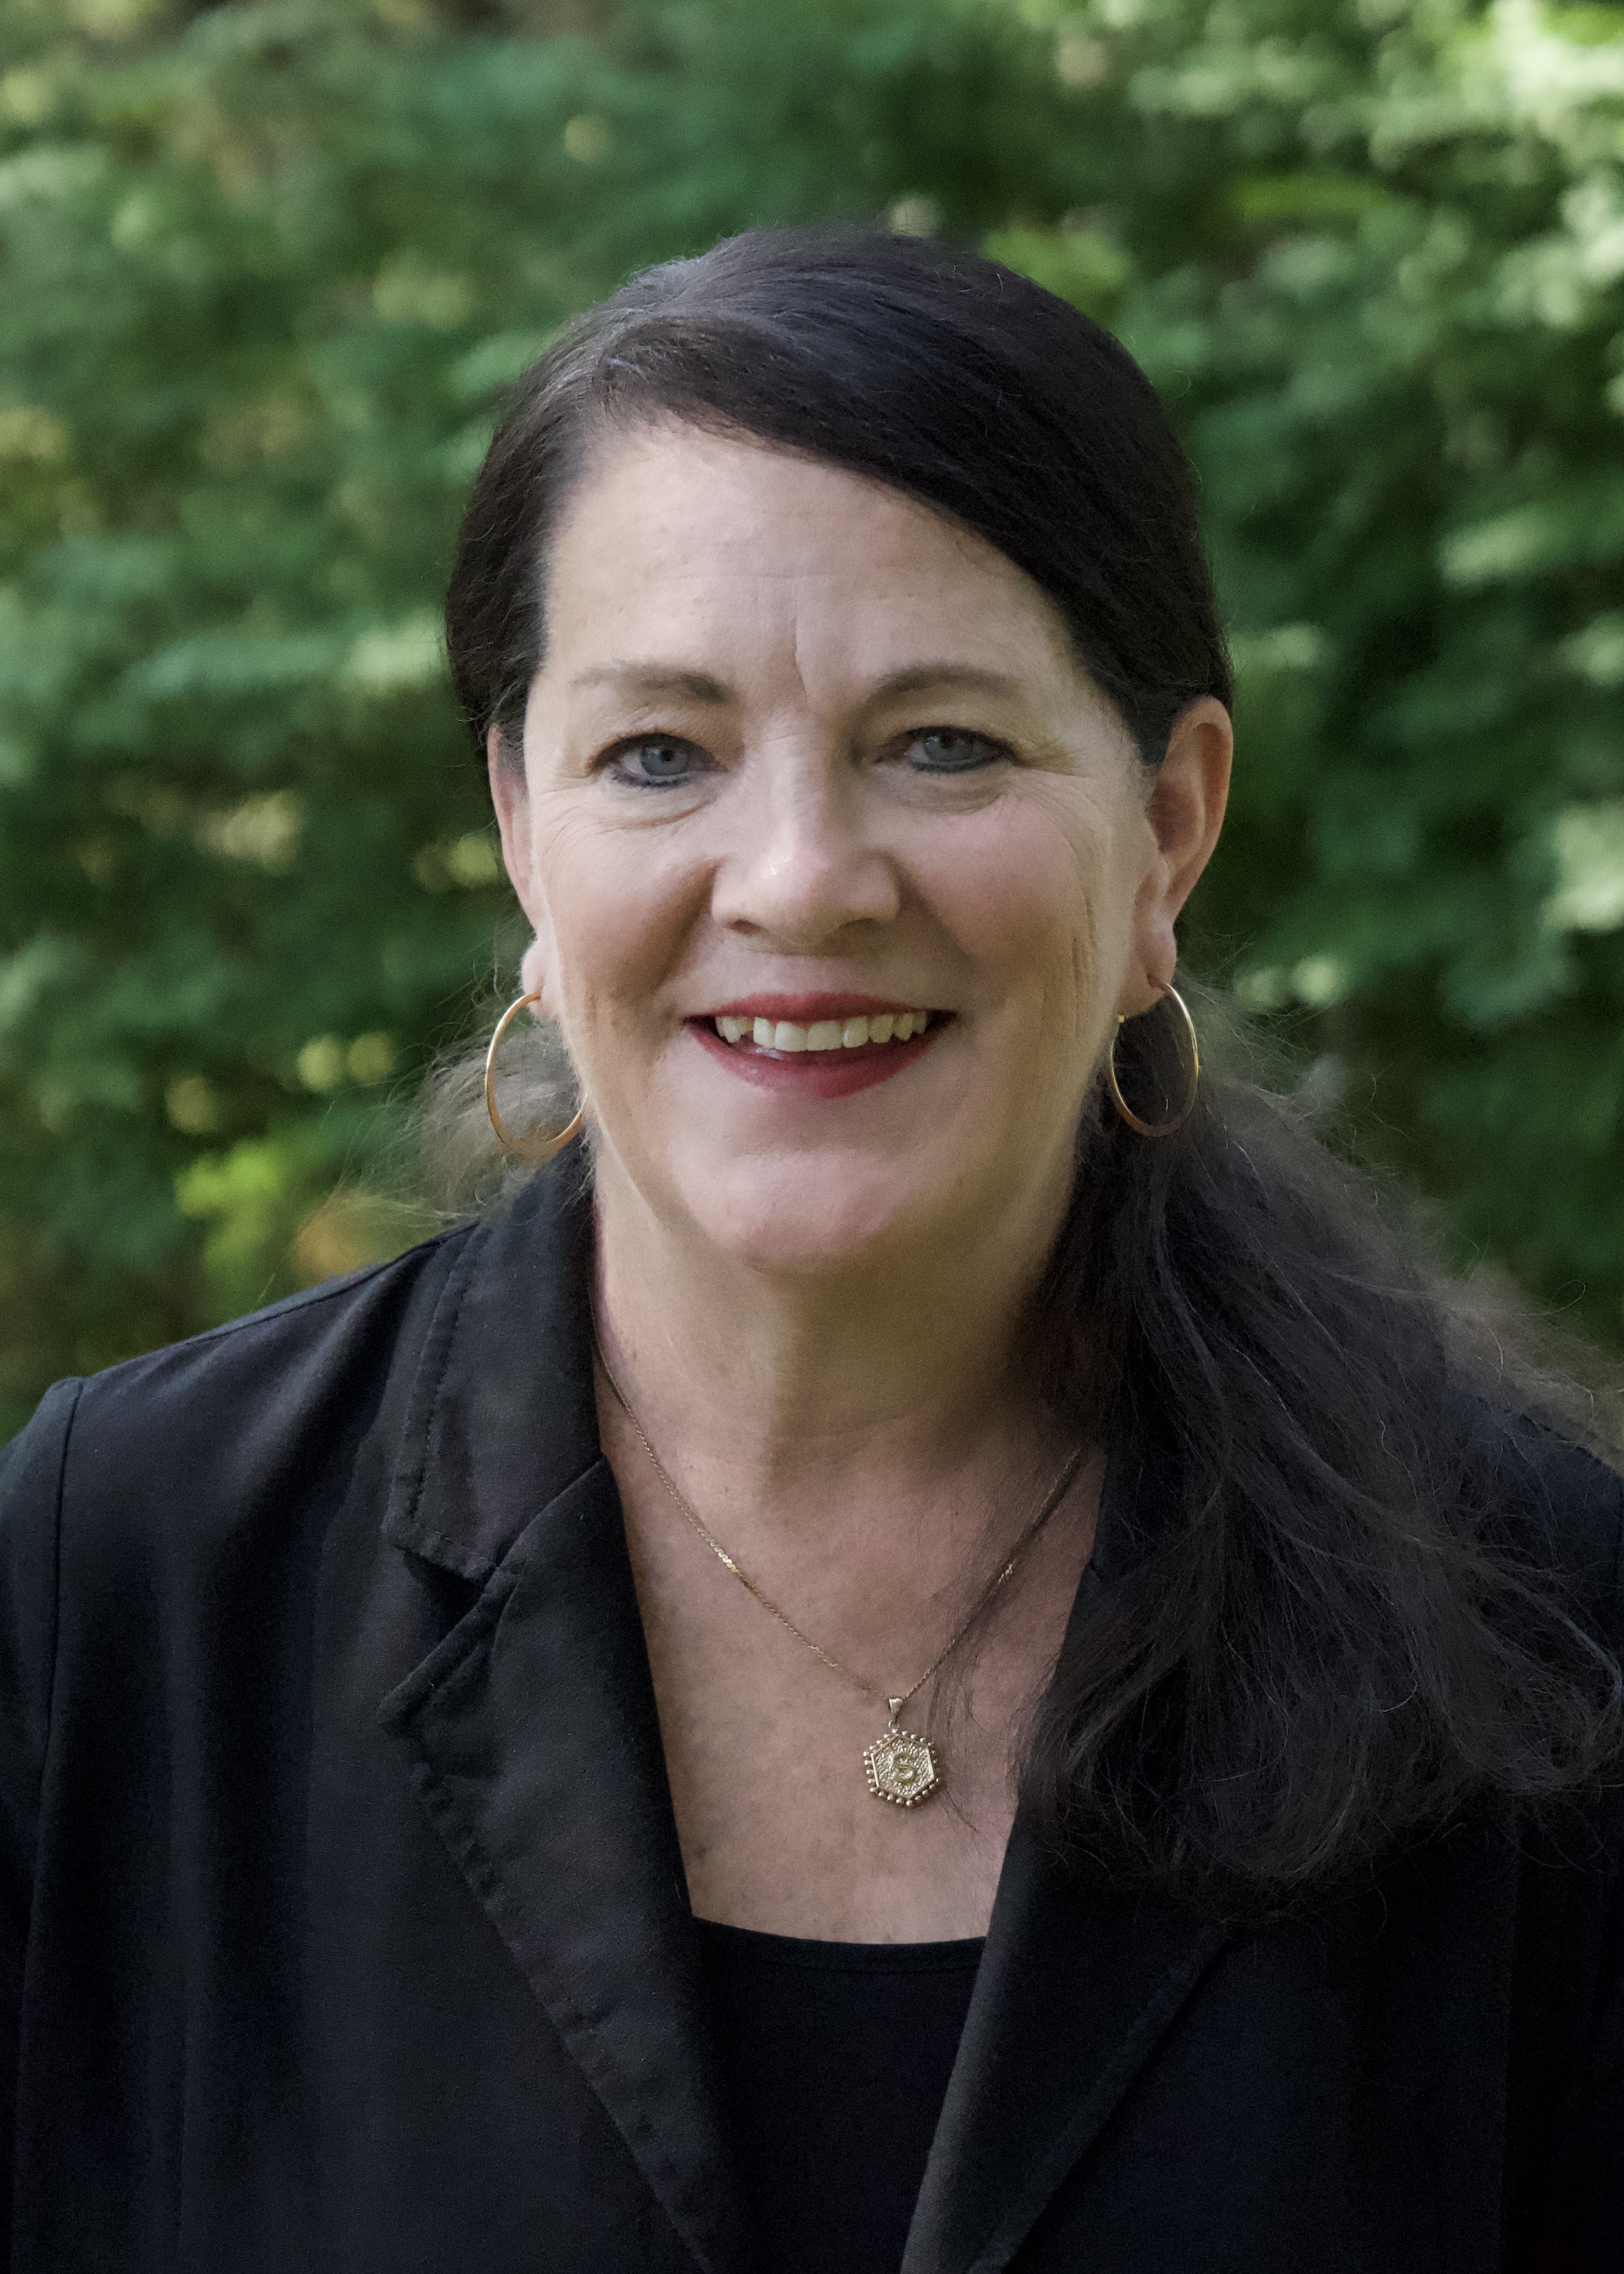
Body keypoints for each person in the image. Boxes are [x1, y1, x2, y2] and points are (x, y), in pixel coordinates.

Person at [1, 227, 1620, 2274]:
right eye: (657, 755)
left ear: (1168, 833)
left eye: (942, 741)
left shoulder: (1542, 1634)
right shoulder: (124, 1577)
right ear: (521, 825)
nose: (798, 880)